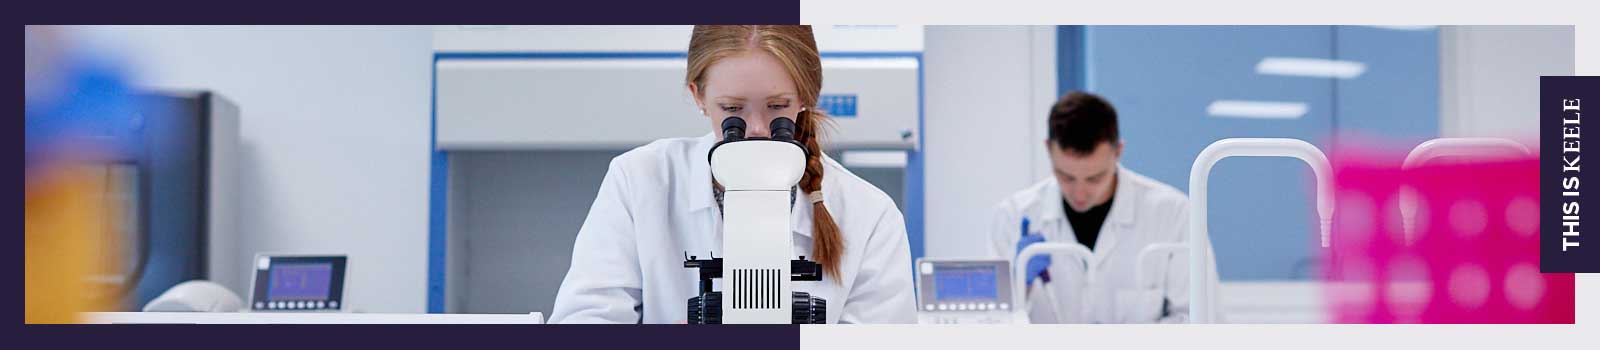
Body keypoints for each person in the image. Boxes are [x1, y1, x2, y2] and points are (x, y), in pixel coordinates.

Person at [549, 25, 916, 324]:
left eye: (777, 106)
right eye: (732, 109)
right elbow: (584, 322)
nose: (756, 128)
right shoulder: (640, 180)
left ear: (806, 96)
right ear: (698, 95)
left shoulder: (869, 213)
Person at [988, 91, 1219, 323]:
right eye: (1066, 176)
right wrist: (1019, 284)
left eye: (1094, 178)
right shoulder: (1014, 216)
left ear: (1118, 151)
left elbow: (1201, 318)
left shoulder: (1172, 214)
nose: (1079, 193)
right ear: (1048, 149)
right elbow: (991, 325)